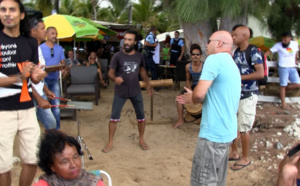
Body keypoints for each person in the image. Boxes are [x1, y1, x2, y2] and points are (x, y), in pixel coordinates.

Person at [176, 31, 241, 185]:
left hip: (212, 135)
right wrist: (196, 95)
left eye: (209, 41)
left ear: (219, 43)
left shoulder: (214, 59)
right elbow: (220, 99)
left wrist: (193, 97)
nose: (206, 44)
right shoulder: (231, 63)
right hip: (226, 133)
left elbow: (198, 96)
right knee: (217, 181)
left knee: (202, 181)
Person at [0, 0, 47, 185]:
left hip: (28, 109)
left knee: (33, 159)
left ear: (21, 15)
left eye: (12, 10)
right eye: (3, 10)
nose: (7, 14)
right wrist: (19, 76)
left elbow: (33, 76)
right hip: (2, 111)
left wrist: (37, 75)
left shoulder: (30, 42)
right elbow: (22, 76)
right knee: (2, 165)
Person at [102, 30, 153, 153]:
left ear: (135, 42)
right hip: (120, 91)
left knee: (141, 117)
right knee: (114, 118)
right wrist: (115, 79)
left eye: (130, 40)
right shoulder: (117, 56)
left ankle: (141, 139)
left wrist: (148, 85)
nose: (127, 42)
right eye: (125, 39)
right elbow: (110, 73)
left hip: (135, 91)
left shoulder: (139, 56)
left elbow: (142, 71)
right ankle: (110, 142)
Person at [229, 26, 264, 171]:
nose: (233, 38)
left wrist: (240, 78)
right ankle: (235, 152)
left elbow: (260, 73)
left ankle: (245, 158)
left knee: (244, 127)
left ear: (244, 36)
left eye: (235, 35)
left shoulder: (254, 51)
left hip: (248, 95)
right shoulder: (236, 52)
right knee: (233, 125)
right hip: (236, 94)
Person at [33, 130, 105, 186]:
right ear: (51, 166)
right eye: (64, 162)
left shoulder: (95, 183)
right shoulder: (43, 184)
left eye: (75, 157)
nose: (73, 165)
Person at [30, 18, 57, 130]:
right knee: (47, 124)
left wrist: (46, 90)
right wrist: (40, 99)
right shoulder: (27, 49)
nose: (45, 31)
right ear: (33, 31)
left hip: (39, 91)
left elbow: (39, 75)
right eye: (43, 28)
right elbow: (25, 80)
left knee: (50, 124)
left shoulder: (38, 48)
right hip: (31, 94)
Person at [264, 32, 300, 109]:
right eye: (282, 39)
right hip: (283, 67)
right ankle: (283, 103)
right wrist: (263, 59)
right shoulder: (278, 45)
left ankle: (280, 91)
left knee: (297, 84)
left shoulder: (294, 44)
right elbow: (268, 52)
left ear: (290, 38)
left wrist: (296, 59)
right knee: (283, 84)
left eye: (285, 40)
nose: (283, 41)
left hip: (292, 67)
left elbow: (296, 52)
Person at [40, 27, 65, 129]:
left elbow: (63, 63)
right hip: (43, 80)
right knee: (45, 106)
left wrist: (61, 66)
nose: (55, 35)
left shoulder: (59, 48)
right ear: (47, 34)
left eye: (56, 33)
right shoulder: (40, 48)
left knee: (56, 106)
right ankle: (49, 129)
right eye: (53, 33)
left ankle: (57, 130)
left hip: (54, 79)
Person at [173, 44, 203, 128]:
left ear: (200, 55)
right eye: (193, 54)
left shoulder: (205, 65)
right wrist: (190, 91)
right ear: (191, 55)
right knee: (179, 98)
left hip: (203, 87)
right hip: (194, 86)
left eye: (197, 54)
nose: (195, 56)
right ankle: (180, 120)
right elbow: (188, 79)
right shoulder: (188, 66)